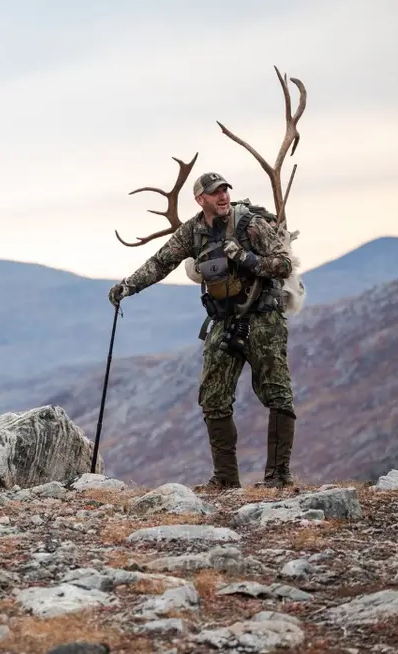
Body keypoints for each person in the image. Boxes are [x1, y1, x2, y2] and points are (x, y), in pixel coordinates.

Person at [107, 172, 296, 490]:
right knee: (213, 397)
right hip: (224, 322)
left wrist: (247, 259)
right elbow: (160, 263)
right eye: (215, 193)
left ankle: (278, 477)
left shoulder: (250, 223)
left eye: (225, 190)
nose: (223, 196)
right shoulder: (192, 232)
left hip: (264, 319)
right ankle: (225, 480)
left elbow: (284, 264)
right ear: (200, 199)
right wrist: (128, 286)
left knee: (277, 394)